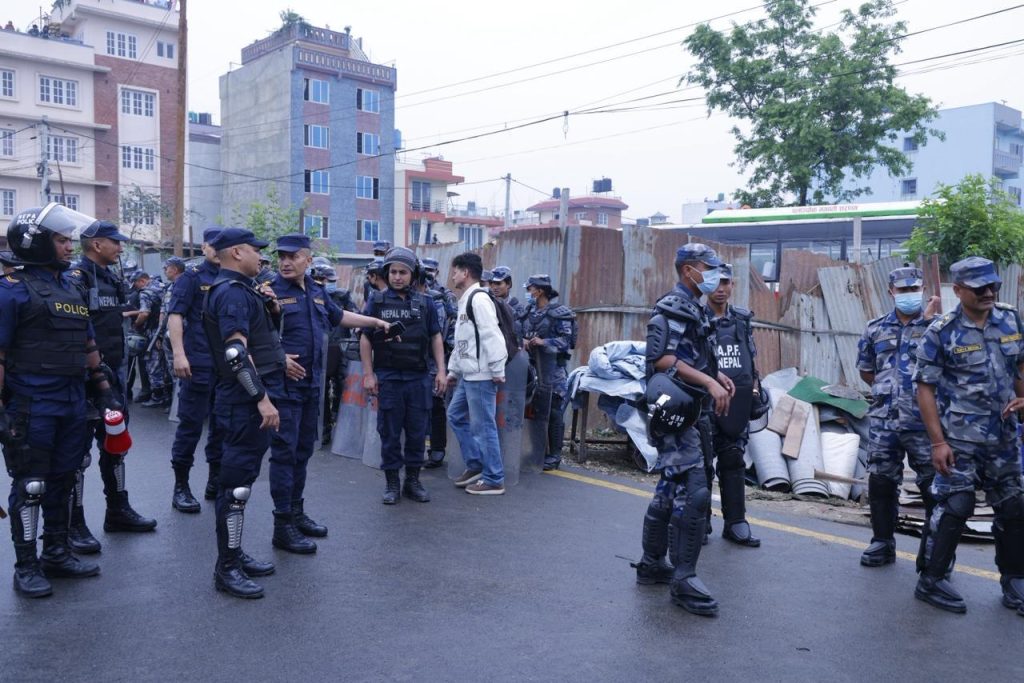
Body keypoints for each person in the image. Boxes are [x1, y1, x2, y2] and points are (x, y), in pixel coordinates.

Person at [1, 203, 123, 597]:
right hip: (32, 404)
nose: (70, 246)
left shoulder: (71, 287)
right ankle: (26, 565)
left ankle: (56, 551)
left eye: (69, 239)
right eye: (61, 240)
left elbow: (88, 345)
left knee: (65, 477)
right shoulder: (10, 291)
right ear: (35, 243)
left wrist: (104, 391)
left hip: (72, 402)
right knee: (31, 485)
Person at [913, 256, 1024, 615]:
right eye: (980, 288)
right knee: (955, 506)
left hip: (1004, 437)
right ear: (958, 290)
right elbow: (924, 387)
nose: (989, 292)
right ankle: (931, 579)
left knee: (1013, 505)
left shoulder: (1010, 319)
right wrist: (937, 442)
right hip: (959, 439)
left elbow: (1019, 366)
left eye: (993, 286)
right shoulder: (942, 331)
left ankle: (1014, 579)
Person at [268, 234, 391, 553]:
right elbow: (255, 335)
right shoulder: (268, 291)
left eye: (293, 256)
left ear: (308, 260)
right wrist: (278, 358)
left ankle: (296, 512)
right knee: (284, 454)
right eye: (282, 256)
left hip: (311, 385)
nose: (285, 262)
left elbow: (339, 316)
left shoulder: (317, 291)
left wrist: (374, 321)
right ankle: (282, 525)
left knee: (302, 452)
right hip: (283, 388)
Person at [634, 243, 735, 617]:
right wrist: (708, 383)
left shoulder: (695, 308)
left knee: (670, 485)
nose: (714, 275)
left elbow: (694, 356)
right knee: (694, 491)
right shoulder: (673, 308)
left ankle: (651, 564)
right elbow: (662, 359)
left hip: (690, 408)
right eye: (708, 268)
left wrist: (716, 376)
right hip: (677, 410)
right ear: (689, 269)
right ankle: (684, 579)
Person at [66, 221, 156, 555]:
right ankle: (74, 523)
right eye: (114, 242)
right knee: (77, 455)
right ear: (95, 244)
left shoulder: (111, 278)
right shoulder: (77, 279)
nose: (120, 247)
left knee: (115, 445)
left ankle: (117, 510)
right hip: (86, 378)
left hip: (114, 376)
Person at [202, 228, 282, 598]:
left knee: (241, 482)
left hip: (241, 400)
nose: (260, 257)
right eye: (255, 250)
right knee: (235, 487)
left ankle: (234, 554)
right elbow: (236, 354)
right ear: (236, 252)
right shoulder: (232, 293)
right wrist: (261, 399)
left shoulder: (240, 290)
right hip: (242, 402)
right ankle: (227, 568)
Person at [857, 266, 941, 569]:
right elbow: (867, 371)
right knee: (881, 482)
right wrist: (891, 391)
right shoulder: (875, 328)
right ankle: (882, 542)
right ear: (891, 292)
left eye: (913, 289)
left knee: (933, 485)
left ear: (922, 290)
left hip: (925, 422)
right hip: (885, 421)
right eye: (903, 290)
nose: (909, 294)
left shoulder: (938, 327)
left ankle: (935, 551)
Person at [359, 247, 447, 505]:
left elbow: (435, 337)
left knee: (417, 433)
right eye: (393, 272)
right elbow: (365, 338)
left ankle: (412, 481)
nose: (397, 277)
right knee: (389, 434)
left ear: (413, 274)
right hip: (389, 378)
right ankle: (392, 483)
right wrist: (368, 374)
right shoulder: (376, 301)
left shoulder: (426, 303)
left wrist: (441, 371)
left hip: (418, 379)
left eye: (403, 272)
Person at [166, 228, 225, 514]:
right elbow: (175, 315)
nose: (218, 250)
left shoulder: (233, 278)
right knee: (190, 426)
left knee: (222, 425)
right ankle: (181, 486)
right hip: (198, 363)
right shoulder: (191, 278)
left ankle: (215, 480)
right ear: (204, 248)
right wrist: (179, 354)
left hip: (226, 367)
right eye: (213, 245)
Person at [703, 263, 762, 547]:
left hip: (736, 401)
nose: (720, 289)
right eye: (715, 282)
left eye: (725, 282)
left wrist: (754, 390)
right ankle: (699, 522)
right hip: (704, 402)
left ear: (732, 285)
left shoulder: (741, 319)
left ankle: (736, 522)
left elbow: (749, 358)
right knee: (701, 464)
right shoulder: (694, 318)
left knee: (734, 459)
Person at [446, 253, 508, 495]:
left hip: (481, 375)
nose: (452, 276)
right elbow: (463, 340)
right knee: (455, 415)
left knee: (483, 427)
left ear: (465, 273)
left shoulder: (479, 299)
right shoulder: (465, 300)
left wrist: (497, 369)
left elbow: (492, 334)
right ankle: (476, 464)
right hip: (468, 374)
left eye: (455, 271)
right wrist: (453, 370)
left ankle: (494, 478)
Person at [521, 274, 575, 471]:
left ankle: (554, 455)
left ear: (540, 291)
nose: (528, 292)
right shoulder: (528, 312)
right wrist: (523, 341)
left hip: (553, 371)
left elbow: (567, 341)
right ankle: (537, 452)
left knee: (553, 411)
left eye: (530, 289)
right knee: (534, 410)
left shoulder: (559, 313)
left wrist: (544, 342)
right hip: (532, 369)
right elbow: (519, 332)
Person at [420, 256, 457, 470]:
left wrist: (447, 354)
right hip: (416, 359)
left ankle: (437, 449)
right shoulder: (412, 292)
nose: (428, 273)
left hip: (437, 358)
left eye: (430, 270)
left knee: (436, 405)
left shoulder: (444, 296)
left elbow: (452, 325)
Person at [135, 271, 170, 407]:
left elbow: (144, 313)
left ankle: (158, 397)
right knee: (167, 365)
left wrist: (136, 324)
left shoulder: (146, 292)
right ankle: (168, 397)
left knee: (153, 365)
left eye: (136, 284)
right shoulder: (164, 287)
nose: (136, 287)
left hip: (154, 332)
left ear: (142, 281)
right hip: (169, 331)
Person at [487, 266, 525, 342]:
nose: (494, 287)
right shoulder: (487, 303)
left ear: (508, 284)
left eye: (498, 283)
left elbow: (519, 332)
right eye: (492, 284)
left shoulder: (518, 307)